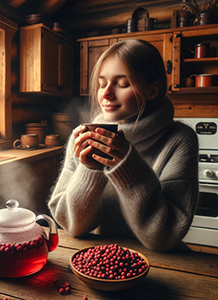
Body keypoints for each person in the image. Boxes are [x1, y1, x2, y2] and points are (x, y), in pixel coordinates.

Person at [48, 39, 199, 252]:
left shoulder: (180, 139)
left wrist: (129, 168)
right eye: (102, 84)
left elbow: (164, 236)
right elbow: (73, 227)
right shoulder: (82, 138)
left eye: (122, 83)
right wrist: (90, 170)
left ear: (153, 91)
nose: (106, 94)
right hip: (100, 259)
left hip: (166, 266)